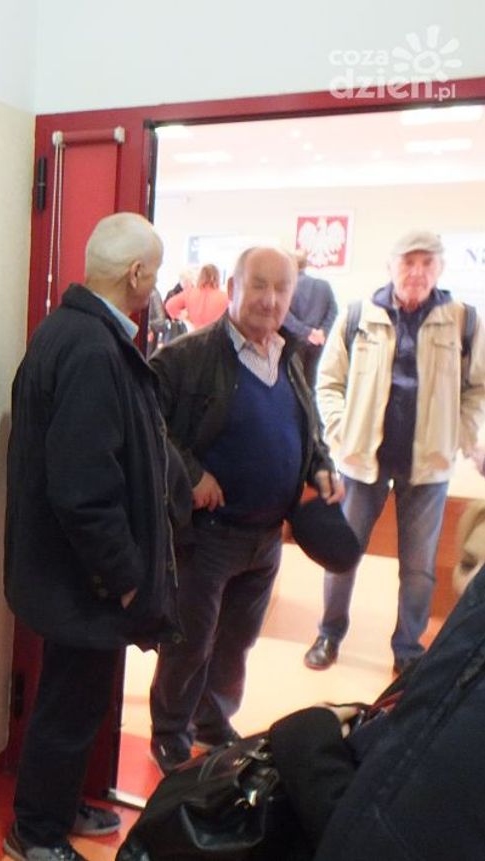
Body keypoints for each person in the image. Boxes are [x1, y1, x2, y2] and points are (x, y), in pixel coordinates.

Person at [3, 213, 183, 861]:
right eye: (154, 273)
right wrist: (128, 577)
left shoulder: (74, 332)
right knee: (68, 706)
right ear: (136, 274)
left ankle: (55, 805)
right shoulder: (91, 349)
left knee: (74, 702)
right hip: (84, 578)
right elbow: (84, 490)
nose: (156, 285)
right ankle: (35, 833)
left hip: (72, 572)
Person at [146, 247, 343, 773]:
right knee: (190, 643)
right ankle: (170, 732)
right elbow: (146, 425)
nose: (271, 299)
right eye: (259, 285)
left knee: (236, 642)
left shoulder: (290, 354)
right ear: (233, 288)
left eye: (282, 288)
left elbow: (307, 427)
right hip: (206, 535)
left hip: (267, 537)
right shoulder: (187, 356)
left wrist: (320, 466)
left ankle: (212, 722)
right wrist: (191, 475)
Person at [305, 229, 485, 676]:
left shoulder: (463, 320)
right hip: (363, 462)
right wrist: (341, 432)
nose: (417, 272)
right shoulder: (358, 315)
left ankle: (407, 649)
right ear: (391, 266)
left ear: (440, 268)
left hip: (428, 467)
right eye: (408, 262)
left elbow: (477, 388)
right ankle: (329, 633)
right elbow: (328, 382)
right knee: (342, 553)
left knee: (419, 567)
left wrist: (459, 436)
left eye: (427, 263)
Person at [268, 519, 485, 861]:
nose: (471, 586)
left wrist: (307, 739)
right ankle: (330, 634)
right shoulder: (448, 665)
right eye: (468, 564)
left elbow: (388, 836)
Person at [283, 249, 338, 386]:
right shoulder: (324, 286)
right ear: (306, 264)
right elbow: (333, 312)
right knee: (314, 385)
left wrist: (307, 332)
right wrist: (322, 332)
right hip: (319, 344)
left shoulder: (285, 287)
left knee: (295, 386)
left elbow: (284, 316)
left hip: (293, 343)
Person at [164, 263, 229, 331]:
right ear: (217, 278)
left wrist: (186, 318)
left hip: (194, 333)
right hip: (215, 334)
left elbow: (169, 305)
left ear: (200, 276)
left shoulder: (190, 293)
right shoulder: (225, 298)